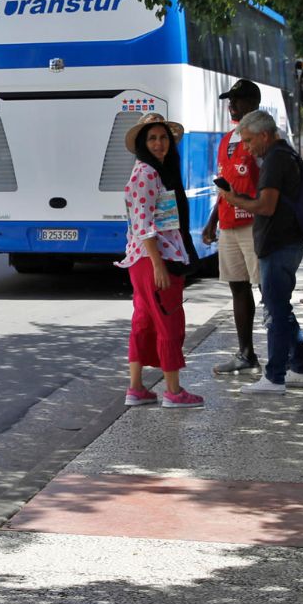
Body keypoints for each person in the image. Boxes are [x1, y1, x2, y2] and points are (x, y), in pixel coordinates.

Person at [217, 110, 303, 395]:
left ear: (265, 135)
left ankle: (274, 377)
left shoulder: (274, 160)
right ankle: (300, 368)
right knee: (280, 306)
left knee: (275, 310)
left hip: (278, 243)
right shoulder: (286, 154)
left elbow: (266, 206)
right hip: (287, 241)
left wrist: (235, 199)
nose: (246, 148)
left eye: (249, 141)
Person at [115, 113, 204, 409]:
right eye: (152, 138)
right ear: (142, 143)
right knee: (169, 322)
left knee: (143, 322)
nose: (158, 143)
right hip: (155, 260)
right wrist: (158, 265)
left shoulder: (155, 171)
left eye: (163, 137)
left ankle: (137, 388)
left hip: (145, 260)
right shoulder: (147, 174)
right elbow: (144, 225)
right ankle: (173, 392)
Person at [201, 79, 263, 374]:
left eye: (237, 100)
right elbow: (224, 186)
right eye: (230, 101)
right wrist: (212, 220)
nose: (232, 105)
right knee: (238, 287)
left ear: (253, 103)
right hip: (228, 224)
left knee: (267, 288)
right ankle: (246, 354)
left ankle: (288, 355)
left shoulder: (263, 138)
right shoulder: (227, 140)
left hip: (255, 224)